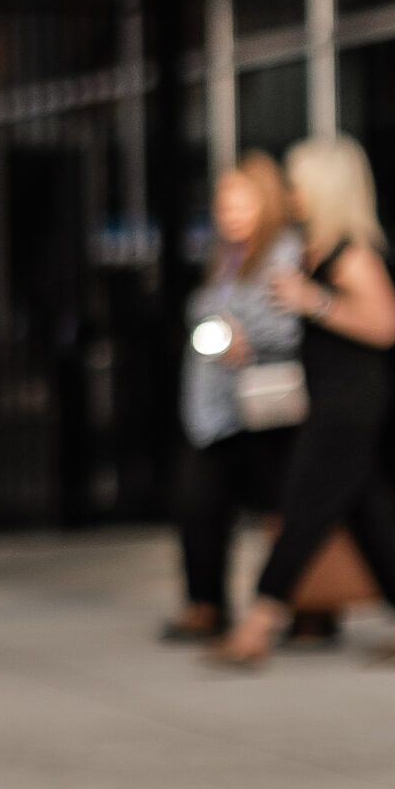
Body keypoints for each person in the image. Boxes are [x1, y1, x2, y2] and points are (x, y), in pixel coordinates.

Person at [215, 134, 395, 668]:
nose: (289, 193)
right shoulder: (312, 248)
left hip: (350, 401)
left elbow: (386, 326)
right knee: (368, 513)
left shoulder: (351, 253)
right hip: (325, 396)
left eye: (296, 183)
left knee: (303, 507)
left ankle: (257, 625)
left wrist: (313, 301)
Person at [162, 153, 304, 642]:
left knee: (282, 511)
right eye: (223, 202)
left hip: (266, 407)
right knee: (198, 503)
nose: (230, 211)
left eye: (240, 200)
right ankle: (206, 604)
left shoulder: (284, 252)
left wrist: (247, 337)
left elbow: (290, 321)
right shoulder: (224, 257)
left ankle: (309, 605)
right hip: (215, 409)